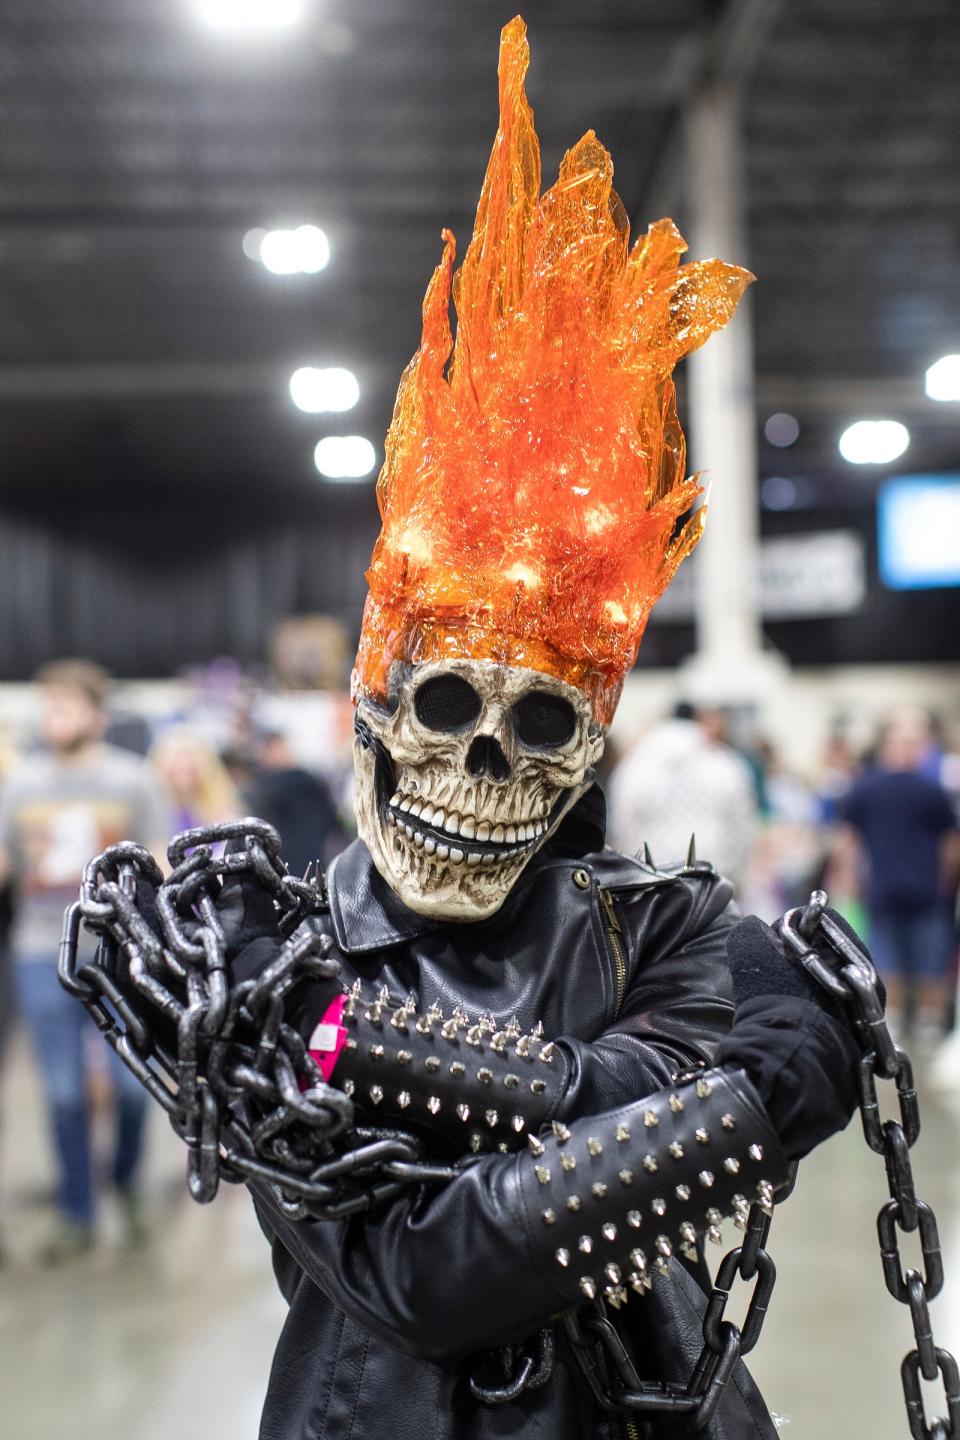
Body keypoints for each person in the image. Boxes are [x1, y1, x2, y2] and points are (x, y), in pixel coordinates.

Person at [63, 20, 875, 1436]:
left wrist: (429, 1066)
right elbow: (426, 1276)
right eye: (446, 704)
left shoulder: (655, 927)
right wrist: (716, 1116)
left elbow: (629, 1082)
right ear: (374, 713)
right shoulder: (259, 954)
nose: (485, 762)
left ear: (589, 755)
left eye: (545, 724)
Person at [0, 659, 169, 1260]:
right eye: (48, 706)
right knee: (64, 1093)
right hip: (39, 953)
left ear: (95, 715)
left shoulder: (132, 781)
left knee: (130, 1089)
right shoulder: (19, 786)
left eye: (66, 705)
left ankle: (123, 1180)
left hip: (118, 957)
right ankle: (77, 1210)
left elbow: (158, 864)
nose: (54, 717)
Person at [840, 709, 959, 1042]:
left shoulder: (930, 790)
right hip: (889, 889)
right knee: (892, 959)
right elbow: (850, 840)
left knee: (927, 962)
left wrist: (945, 881)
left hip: (921, 891)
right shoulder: (872, 788)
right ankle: (900, 1024)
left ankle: (922, 1025)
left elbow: (950, 844)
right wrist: (848, 879)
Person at [607, 702, 758, 892]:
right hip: (713, 878)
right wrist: (738, 878)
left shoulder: (634, 766)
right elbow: (742, 826)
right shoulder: (725, 763)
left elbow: (623, 825)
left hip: (652, 882)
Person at [150, 724, 241, 831]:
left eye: (189, 762)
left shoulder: (225, 816)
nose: (182, 765)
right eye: (175, 764)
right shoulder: (151, 813)